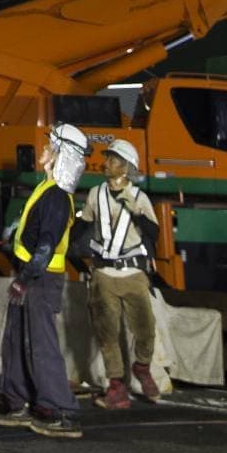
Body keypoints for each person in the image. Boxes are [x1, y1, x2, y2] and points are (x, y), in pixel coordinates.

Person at [0, 121, 88, 439]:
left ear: (61, 155)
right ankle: (19, 402)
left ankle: (61, 410)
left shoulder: (58, 197)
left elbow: (47, 245)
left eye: (50, 146)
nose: (44, 149)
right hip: (31, 275)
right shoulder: (46, 189)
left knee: (41, 344)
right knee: (16, 340)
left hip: (40, 279)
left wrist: (25, 277)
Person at [78, 137, 161, 407]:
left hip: (133, 274)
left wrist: (135, 209)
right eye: (108, 159)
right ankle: (116, 386)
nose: (106, 163)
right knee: (107, 332)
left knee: (145, 329)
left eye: (113, 160)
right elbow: (84, 226)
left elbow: (153, 233)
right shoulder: (95, 194)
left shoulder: (139, 197)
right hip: (104, 274)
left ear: (126, 167)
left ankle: (142, 366)